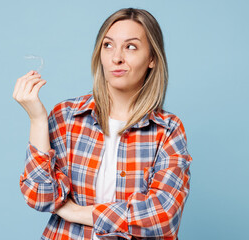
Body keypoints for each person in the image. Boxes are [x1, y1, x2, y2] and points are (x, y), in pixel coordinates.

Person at [13, 8, 192, 240]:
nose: (116, 57)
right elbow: (41, 197)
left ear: (152, 59)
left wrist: (77, 212)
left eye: (131, 46)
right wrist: (37, 119)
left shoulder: (167, 129)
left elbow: (162, 217)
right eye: (108, 45)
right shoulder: (67, 116)